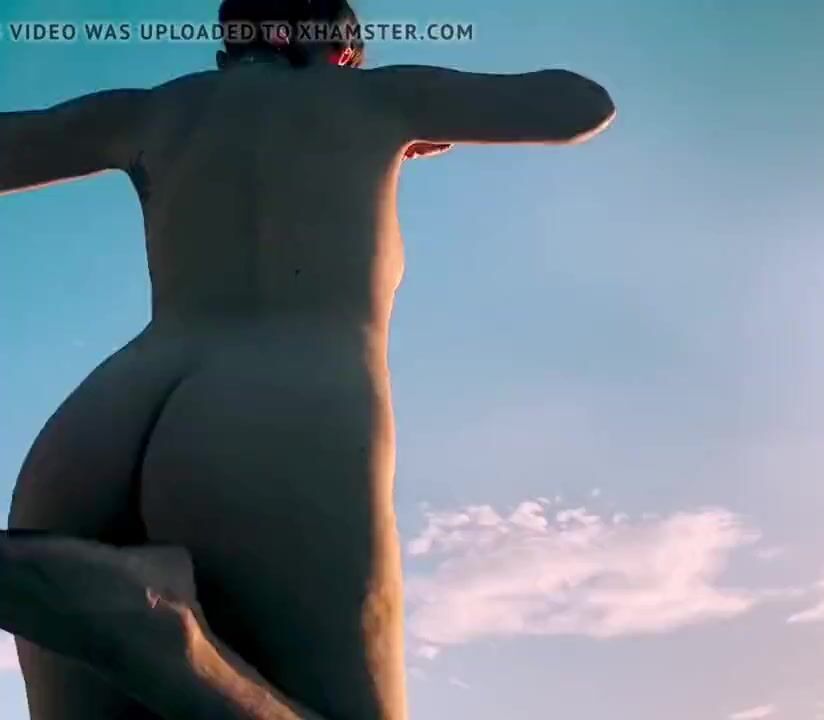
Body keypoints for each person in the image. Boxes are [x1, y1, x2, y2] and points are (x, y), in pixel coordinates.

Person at [0, 0, 616, 716]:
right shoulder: (380, 95)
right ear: (343, 50)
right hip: (284, 403)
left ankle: (119, 617)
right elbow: (580, 105)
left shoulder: (145, 111)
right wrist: (428, 107)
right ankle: (156, 636)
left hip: (103, 416)